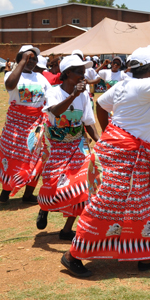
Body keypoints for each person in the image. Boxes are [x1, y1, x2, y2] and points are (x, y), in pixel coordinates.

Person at [61, 30, 150, 278]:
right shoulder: (142, 85)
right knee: (106, 204)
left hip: (128, 155)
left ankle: (148, 256)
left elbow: (101, 105)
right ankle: (73, 255)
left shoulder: (125, 85)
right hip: (123, 157)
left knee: (146, 203)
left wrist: (109, 134)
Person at [35, 55, 99, 240]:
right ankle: (44, 207)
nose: (83, 76)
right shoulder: (54, 92)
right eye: (79, 72)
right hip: (56, 146)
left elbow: (88, 122)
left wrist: (101, 142)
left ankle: (66, 230)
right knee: (54, 185)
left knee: (82, 187)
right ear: (68, 73)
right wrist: (74, 95)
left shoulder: (85, 95)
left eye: (84, 72)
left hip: (77, 145)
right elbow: (55, 112)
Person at [0, 45, 51, 204]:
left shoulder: (41, 78)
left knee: (37, 158)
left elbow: (51, 98)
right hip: (16, 123)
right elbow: (10, 86)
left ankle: (28, 194)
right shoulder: (12, 75)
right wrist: (22, 62)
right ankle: (6, 189)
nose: (31, 61)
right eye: (27, 58)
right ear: (20, 58)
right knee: (13, 157)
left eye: (34, 59)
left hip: (36, 124)